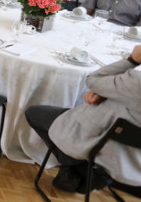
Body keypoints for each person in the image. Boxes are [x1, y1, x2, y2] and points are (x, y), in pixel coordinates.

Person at [25, 46, 141, 192]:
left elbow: (93, 79)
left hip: (98, 138)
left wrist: (132, 60)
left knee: (34, 113)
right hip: (132, 160)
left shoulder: (135, 81)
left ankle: (75, 167)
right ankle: (96, 175)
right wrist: (105, 92)